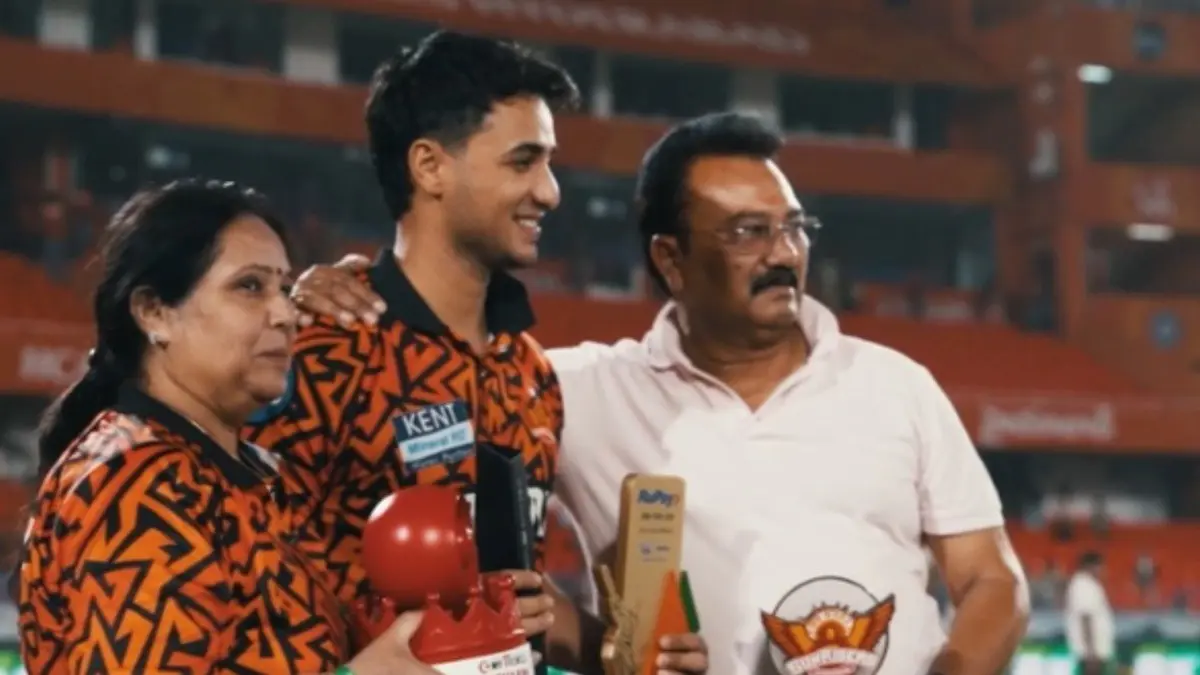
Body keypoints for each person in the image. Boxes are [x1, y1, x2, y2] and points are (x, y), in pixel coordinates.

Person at [293, 112, 1030, 674]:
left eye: (794, 228)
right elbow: (434, 367)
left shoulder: (894, 384)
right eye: (748, 231)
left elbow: (991, 577)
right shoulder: (573, 388)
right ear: (670, 260)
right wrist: (337, 290)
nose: (783, 253)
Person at [243, 31, 707, 675]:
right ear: (430, 166)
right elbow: (239, 594)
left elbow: (521, 614)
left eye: (548, 163)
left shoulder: (531, 372)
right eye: (523, 162)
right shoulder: (322, 350)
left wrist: (623, 652)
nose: (549, 192)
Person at [17, 179, 436, 674]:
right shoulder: (138, 487)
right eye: (250, 286)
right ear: (155, 313)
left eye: (284, 288)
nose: (286, 313)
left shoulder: (243, 475)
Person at [1065, 551, 1115, 675]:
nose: (1102, 569)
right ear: (1090, 566)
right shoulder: (1082, 585)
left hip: (1094, 651)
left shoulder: (1090, 584)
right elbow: (1085, 618)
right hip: (1091, 652)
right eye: (1100, 566)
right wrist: (1091, 652)